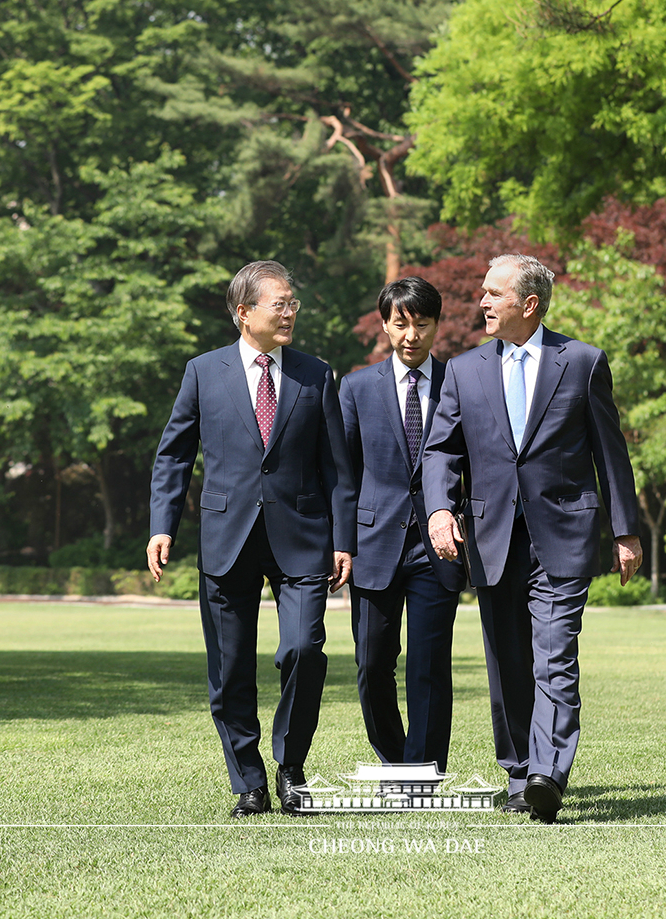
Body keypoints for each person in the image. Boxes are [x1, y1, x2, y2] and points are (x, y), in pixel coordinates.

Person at [422, 254, 642, 821]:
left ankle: (548, 772)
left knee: (554, 656)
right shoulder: (463, 370)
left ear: (530, 304)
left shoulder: (584, 363)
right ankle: (519, 771)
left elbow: (609, 453)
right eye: (482, 292)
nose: (482, 302)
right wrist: (440, 511)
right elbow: (441, 449)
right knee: (508, 663)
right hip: (491, 537)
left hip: (565, 532)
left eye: (494, 293)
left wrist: (626, 531)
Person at [147, 260, 356, 817]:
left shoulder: (316, 374)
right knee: (231, 668)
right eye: (278, 304)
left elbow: (336, 467)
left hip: (303, 537)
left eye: (292, 303)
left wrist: (343, 539)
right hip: (226, 536)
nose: (289, 312)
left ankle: (291, 767)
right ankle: (248, 781)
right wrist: (162, 525)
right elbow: (174, 455)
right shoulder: (203, 371)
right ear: (244, 313)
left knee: (304, 650)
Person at [339, 277, 465, 772]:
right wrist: (340, 544)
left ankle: (421, 773)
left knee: (429, 669)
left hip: (440, 547)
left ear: (437, 325)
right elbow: (343, 476)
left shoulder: (462, 381)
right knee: (372, 665)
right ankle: (395, 760)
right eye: (401, 323)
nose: (411, 334)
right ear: (386, 324)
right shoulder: (355, 387)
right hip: (373, 545)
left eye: (422, 323)